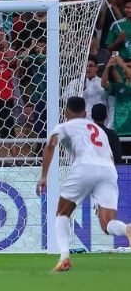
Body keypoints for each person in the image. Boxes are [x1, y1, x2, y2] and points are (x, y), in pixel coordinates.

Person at [37, 96, 131, 272]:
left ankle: (64, 257)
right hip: (109, 171)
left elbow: (51, 145)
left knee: (62, 213)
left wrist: (44, 176)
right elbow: (109, 156)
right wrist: (98, 197)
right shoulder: (98, 129)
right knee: (107, 224)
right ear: (85, 113)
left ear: (66, 113)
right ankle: (127, 228)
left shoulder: (63, 126)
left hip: (84, 166)